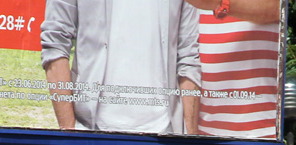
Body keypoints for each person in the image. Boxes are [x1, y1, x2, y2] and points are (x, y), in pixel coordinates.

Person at [41, 0, 201, 134]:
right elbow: (55, 43)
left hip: (166, 135)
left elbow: (188, 56)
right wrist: (71, 132)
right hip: (90, 133)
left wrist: (189, 143)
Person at [185, 0, 281, 138]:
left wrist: (221, 3)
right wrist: (190, 138)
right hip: (206, 137)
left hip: (263, 133)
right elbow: (186, 65)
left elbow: (276, 8)